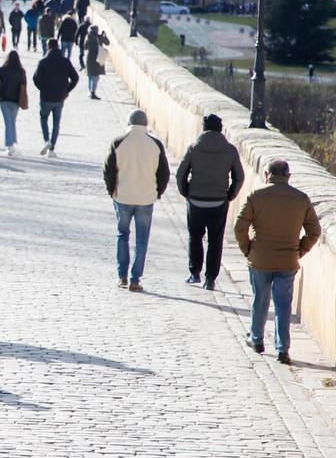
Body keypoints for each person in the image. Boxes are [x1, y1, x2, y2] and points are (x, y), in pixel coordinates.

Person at [233, 159, 321, 365]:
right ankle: (283, 349)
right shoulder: (301, 199)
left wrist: (248, 249)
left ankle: (256, 339)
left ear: (267, 174)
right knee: (283, 305)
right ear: (288, 177)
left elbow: (239, 227)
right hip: (287, 261)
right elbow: (314, 231)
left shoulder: (256, 196)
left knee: (260, 300)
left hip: (260, 259)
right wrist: (299, 250)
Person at [103, 110, 170, 293]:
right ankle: (135, 279)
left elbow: (108, 170)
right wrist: (157, 193)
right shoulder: (155, 144)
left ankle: (122, 276)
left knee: (122, 235)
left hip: (123, 196)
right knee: (142, 240)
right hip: (145, 199)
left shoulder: (118, 142)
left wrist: (112, 191)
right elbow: (164, 173)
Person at [176, 114, 245, 290]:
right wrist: (229, 195)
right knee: (215, 241)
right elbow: (239, 177)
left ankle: (194, 273)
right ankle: (210, 279)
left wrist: (186, 192)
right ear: (220, 128)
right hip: (218, 202)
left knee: (195, 237)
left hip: (196, 201)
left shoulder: (194, 148)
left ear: (204, 127)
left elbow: (180, 174)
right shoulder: (230, 150)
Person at [31, 38, 79, 157]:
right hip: (59, 97)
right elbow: (75, 78)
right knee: (56, 123)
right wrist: (66, 90)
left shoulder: (43, 62)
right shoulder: (65, 61)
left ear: (48, 47)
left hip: (46, 96)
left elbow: (35, 78)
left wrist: (42, 88)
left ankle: (47, 140)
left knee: (43, 118)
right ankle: (52, 149)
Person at [0, 50, 28, 156]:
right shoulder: (21, 71)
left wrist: (0, 92)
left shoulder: (1, 70)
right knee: (12, 121)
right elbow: (24, 85)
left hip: (4, 99)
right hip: (15, 100)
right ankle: (12, 143)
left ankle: (10, 145)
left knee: (8, 122)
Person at [83, 25, 109, 100]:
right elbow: (107, 43)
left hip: (90, 57)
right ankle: (93, 92)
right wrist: (104, 36)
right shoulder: (99, 37)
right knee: (96, 76)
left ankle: (91, 91)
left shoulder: (88, 37)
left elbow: (85, 47)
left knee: (90, 75)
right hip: (98, 57)